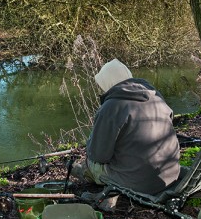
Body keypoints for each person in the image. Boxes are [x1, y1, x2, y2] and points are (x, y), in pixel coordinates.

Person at [74, 59, 180, 195]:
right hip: (169, 175)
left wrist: (90, 146)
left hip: (138, 183)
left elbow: (98, 156)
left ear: (108, 82)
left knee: (89, 165)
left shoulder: (112, 106)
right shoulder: (155, 96)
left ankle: (81, 172)